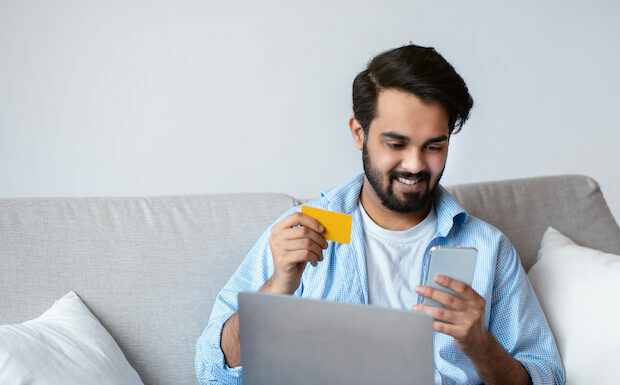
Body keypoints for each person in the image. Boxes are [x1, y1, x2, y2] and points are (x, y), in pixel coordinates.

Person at [195, 44, 565, 385]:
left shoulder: (488, 248)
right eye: (396, 143)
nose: (415, 164)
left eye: (433, 146)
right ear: (359, 133)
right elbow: (212, 370)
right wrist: (276, 288)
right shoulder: (302, 230)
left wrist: (481, 345)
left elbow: (547, 375)